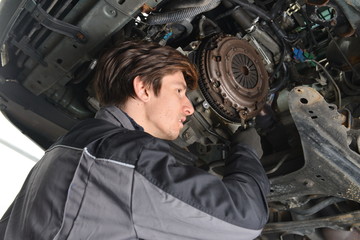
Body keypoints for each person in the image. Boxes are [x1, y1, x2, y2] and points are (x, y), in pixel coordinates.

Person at [0, 40, 269, 240]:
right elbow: (245, 219)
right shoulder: (126, 156)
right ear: (142, 88)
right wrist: (247, 152)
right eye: (179, 91)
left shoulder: (62, 149)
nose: (189, 108)